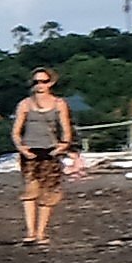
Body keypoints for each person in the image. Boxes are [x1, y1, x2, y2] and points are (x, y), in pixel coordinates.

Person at [8, 68, 81, 245]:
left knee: (48, 194)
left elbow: (66, 128)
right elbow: (16, 130)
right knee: (29, 192)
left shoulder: (59, 103)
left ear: (51, 82)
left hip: (50, 151)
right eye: (36, 82)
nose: (40, 86)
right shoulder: (25, 104)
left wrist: (62, 146)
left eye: (43, 81)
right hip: (30, 151)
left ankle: (41, 233)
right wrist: (21, 148)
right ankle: (30, 232)